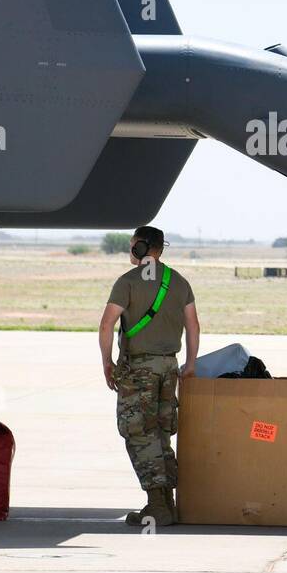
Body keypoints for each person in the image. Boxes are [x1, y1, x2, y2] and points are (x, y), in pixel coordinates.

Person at [98, 225, 199, 527]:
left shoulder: (127, 282)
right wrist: (190, 363)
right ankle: (167, 504)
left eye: (132, 246)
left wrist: (106, 362)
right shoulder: (179, 282)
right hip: (170, 368)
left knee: (139, 433)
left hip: (138, 369)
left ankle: (158, 505)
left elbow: (106, 326)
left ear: (140, 249)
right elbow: (193, 326)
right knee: (160, 433)